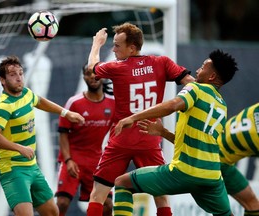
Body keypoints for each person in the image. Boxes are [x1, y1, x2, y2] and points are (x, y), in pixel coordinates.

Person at [86, 22, 195, 216]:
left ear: (132, 48)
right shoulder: (162, 63)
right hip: (149, 138)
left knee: (97, 195)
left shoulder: (117, 67)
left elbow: (92, 68)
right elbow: (192, 85)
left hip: (122, 138)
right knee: (161, 197)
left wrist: (97, 44)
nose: (113, 49)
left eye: (117, 45)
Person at [114, 49, 238, 216]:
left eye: (202, 67)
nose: (197, 70)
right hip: (212, 177)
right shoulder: (222, 105)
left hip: (184, 172)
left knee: (122, 182)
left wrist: (133, 118)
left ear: (211, 77)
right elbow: (197, 144)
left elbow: (173, 105)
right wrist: (163, 132)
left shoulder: (196, 89)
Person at [0, 55, 85, 216]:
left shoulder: (25, 93)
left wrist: (66, 113)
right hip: (13, 169)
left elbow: (38, 101)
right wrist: (19, 148)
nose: (18, 78)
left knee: (53, 213)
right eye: (12, 74)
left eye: (20, 73)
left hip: (32, 167)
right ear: (2, 80)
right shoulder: (4, 106)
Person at [137, 102, 259, 216]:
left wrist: (163, 132)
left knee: (248, 204)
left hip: (214, 158)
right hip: (216, 164)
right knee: (244, 206)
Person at [55, 63, 115, 216]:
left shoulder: (113, 104)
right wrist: (68, 160)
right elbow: (62, 133)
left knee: (107, 205)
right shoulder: (74, 103)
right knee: (61, 203)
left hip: (96, 160)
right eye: (88, 73)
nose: (92, 76)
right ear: (84, 77)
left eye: (95, 73)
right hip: (73, 159)